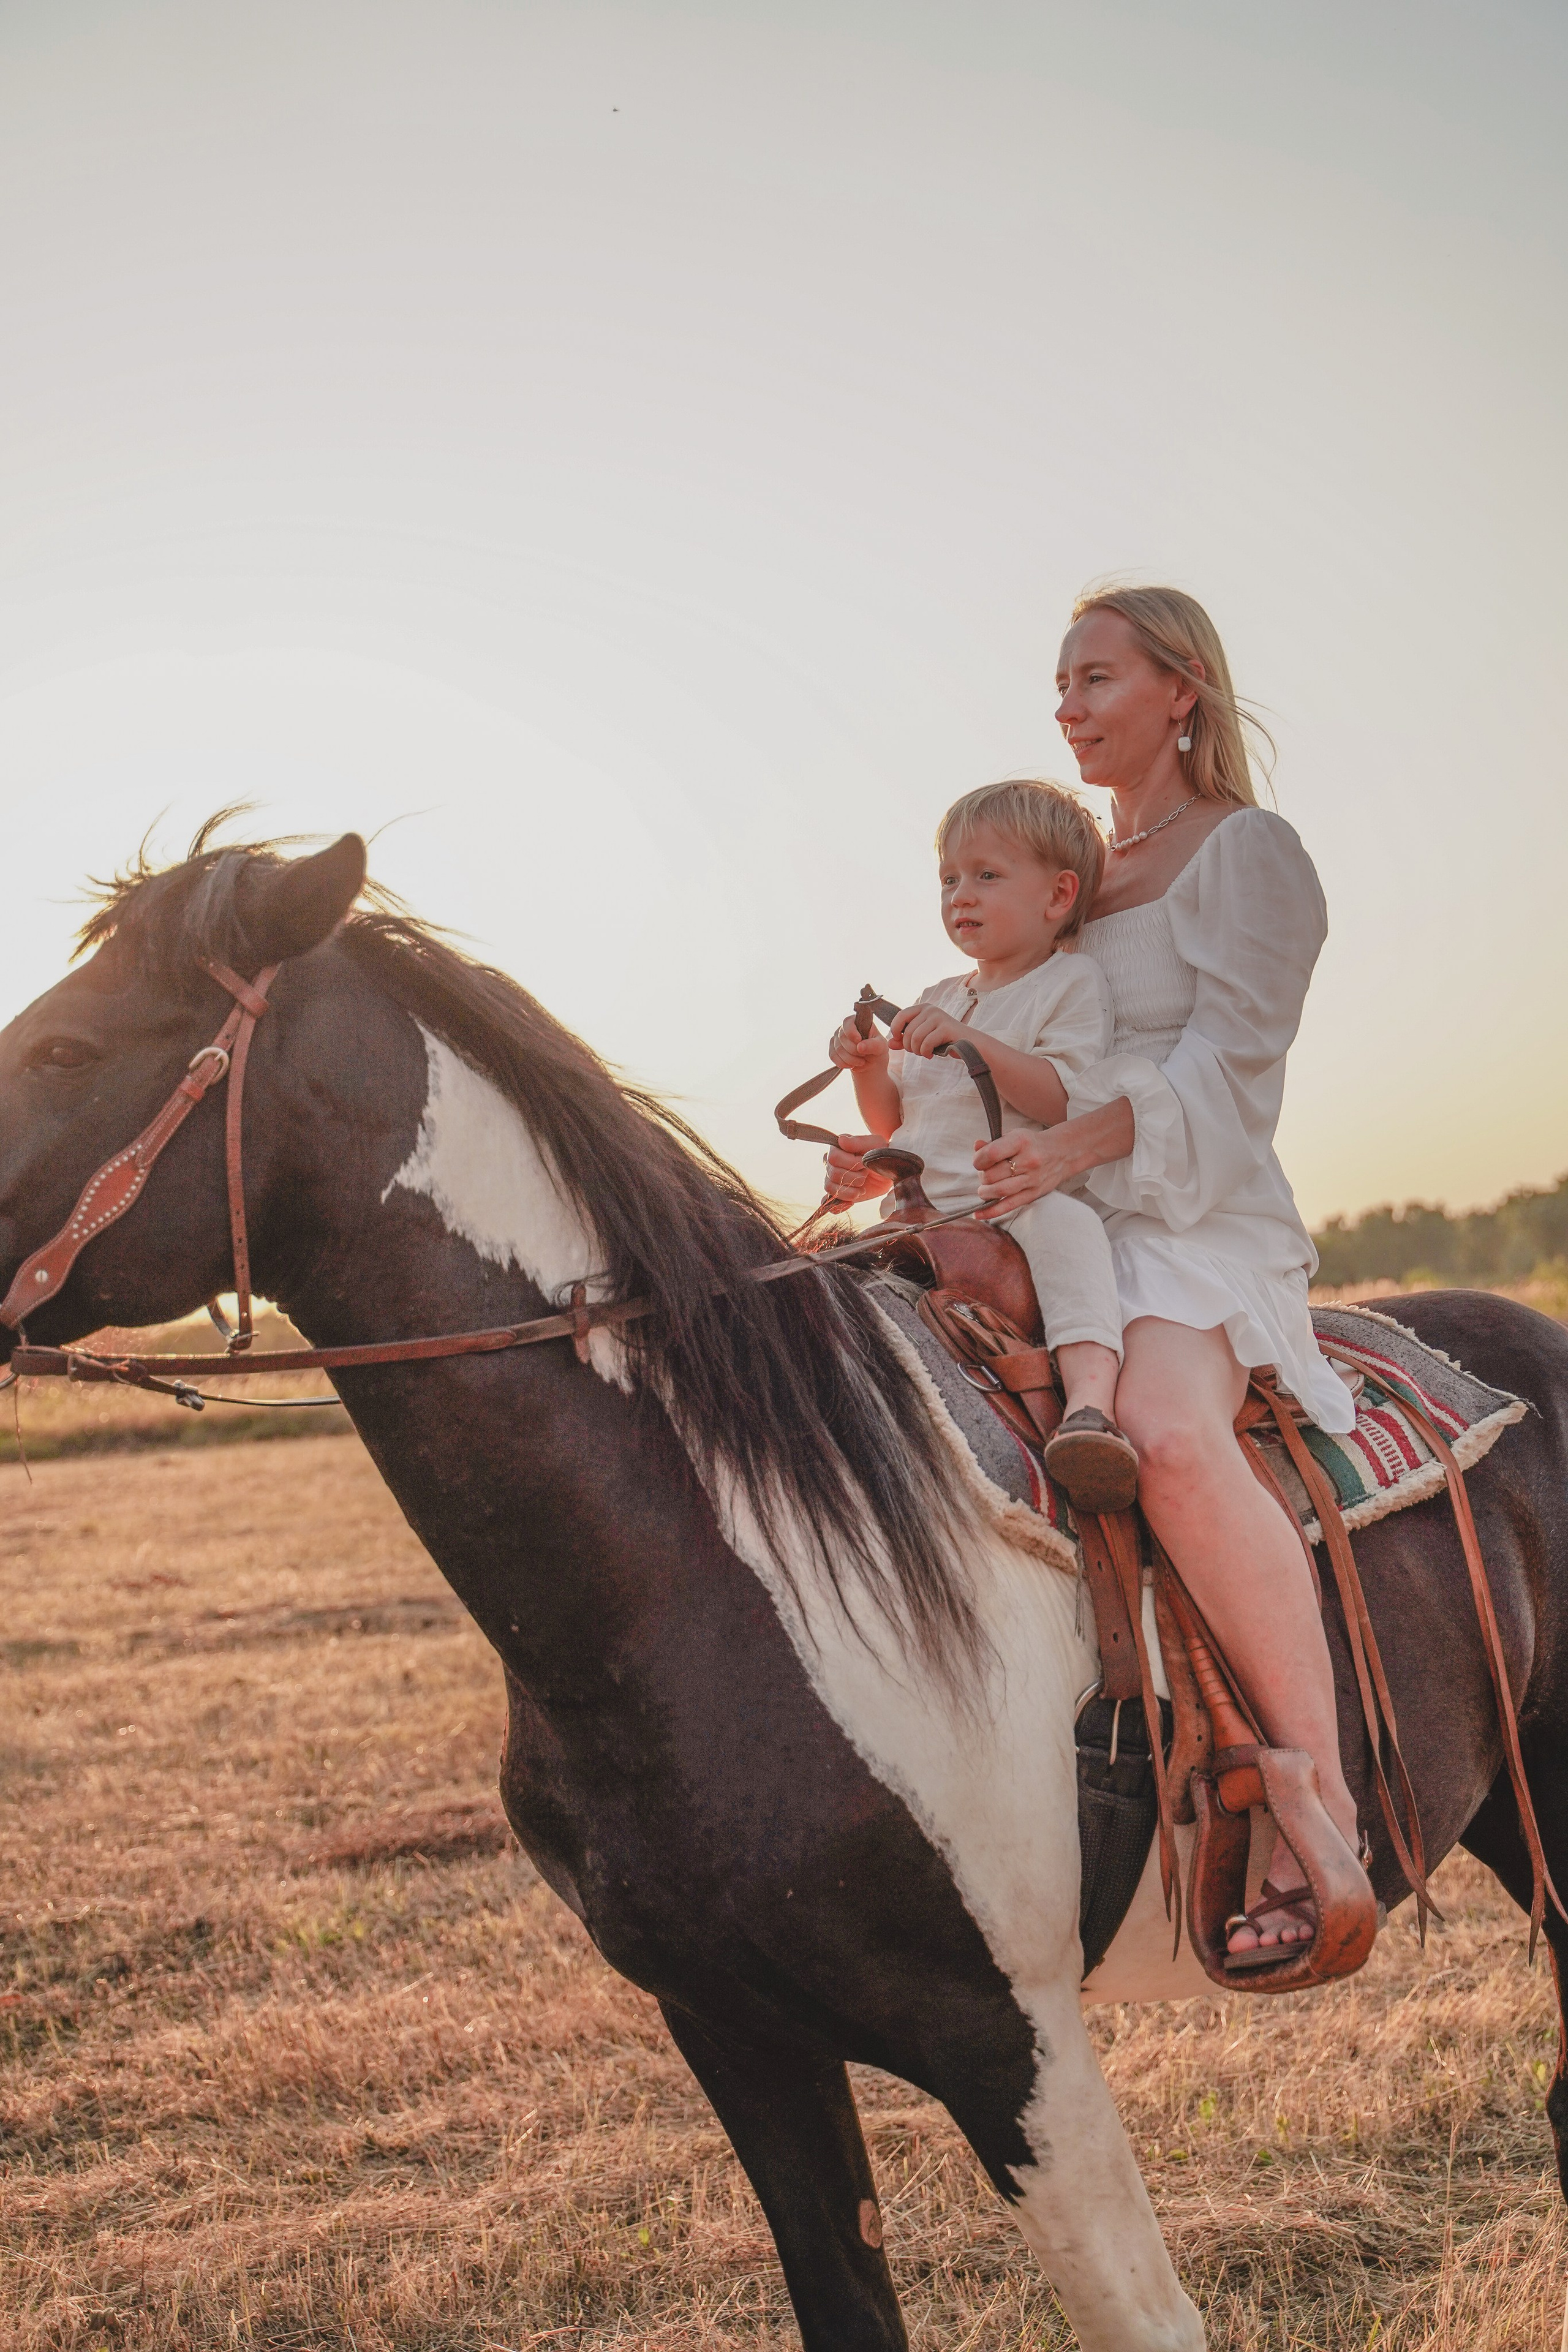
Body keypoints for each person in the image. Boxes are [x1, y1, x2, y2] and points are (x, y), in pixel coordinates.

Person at [825, 586, 1366, 1963]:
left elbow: (1230, 1082)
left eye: (1093, 678)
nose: (1064, 705)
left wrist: (1071, 1148)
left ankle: (1321, 1811)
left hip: (1185, 1214)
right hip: (1030, 1198)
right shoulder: (1056, 872)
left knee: (1172, 1439)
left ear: (1179, 691)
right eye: (1055, 685)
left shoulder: (1245, 854)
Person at [827, 779, 1138, 1511]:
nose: (959, 896)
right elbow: (894, 1119)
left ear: (1058, 896)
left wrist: (974, 1042)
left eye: (986, 876)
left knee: (1071, 1229)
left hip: (1010, 1199)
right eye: (948, 880)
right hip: (920, 1209)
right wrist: (870, 1066)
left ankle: (1092, 1406)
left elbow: (1062, 1095)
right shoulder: (939, 992)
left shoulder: (1068, 983)